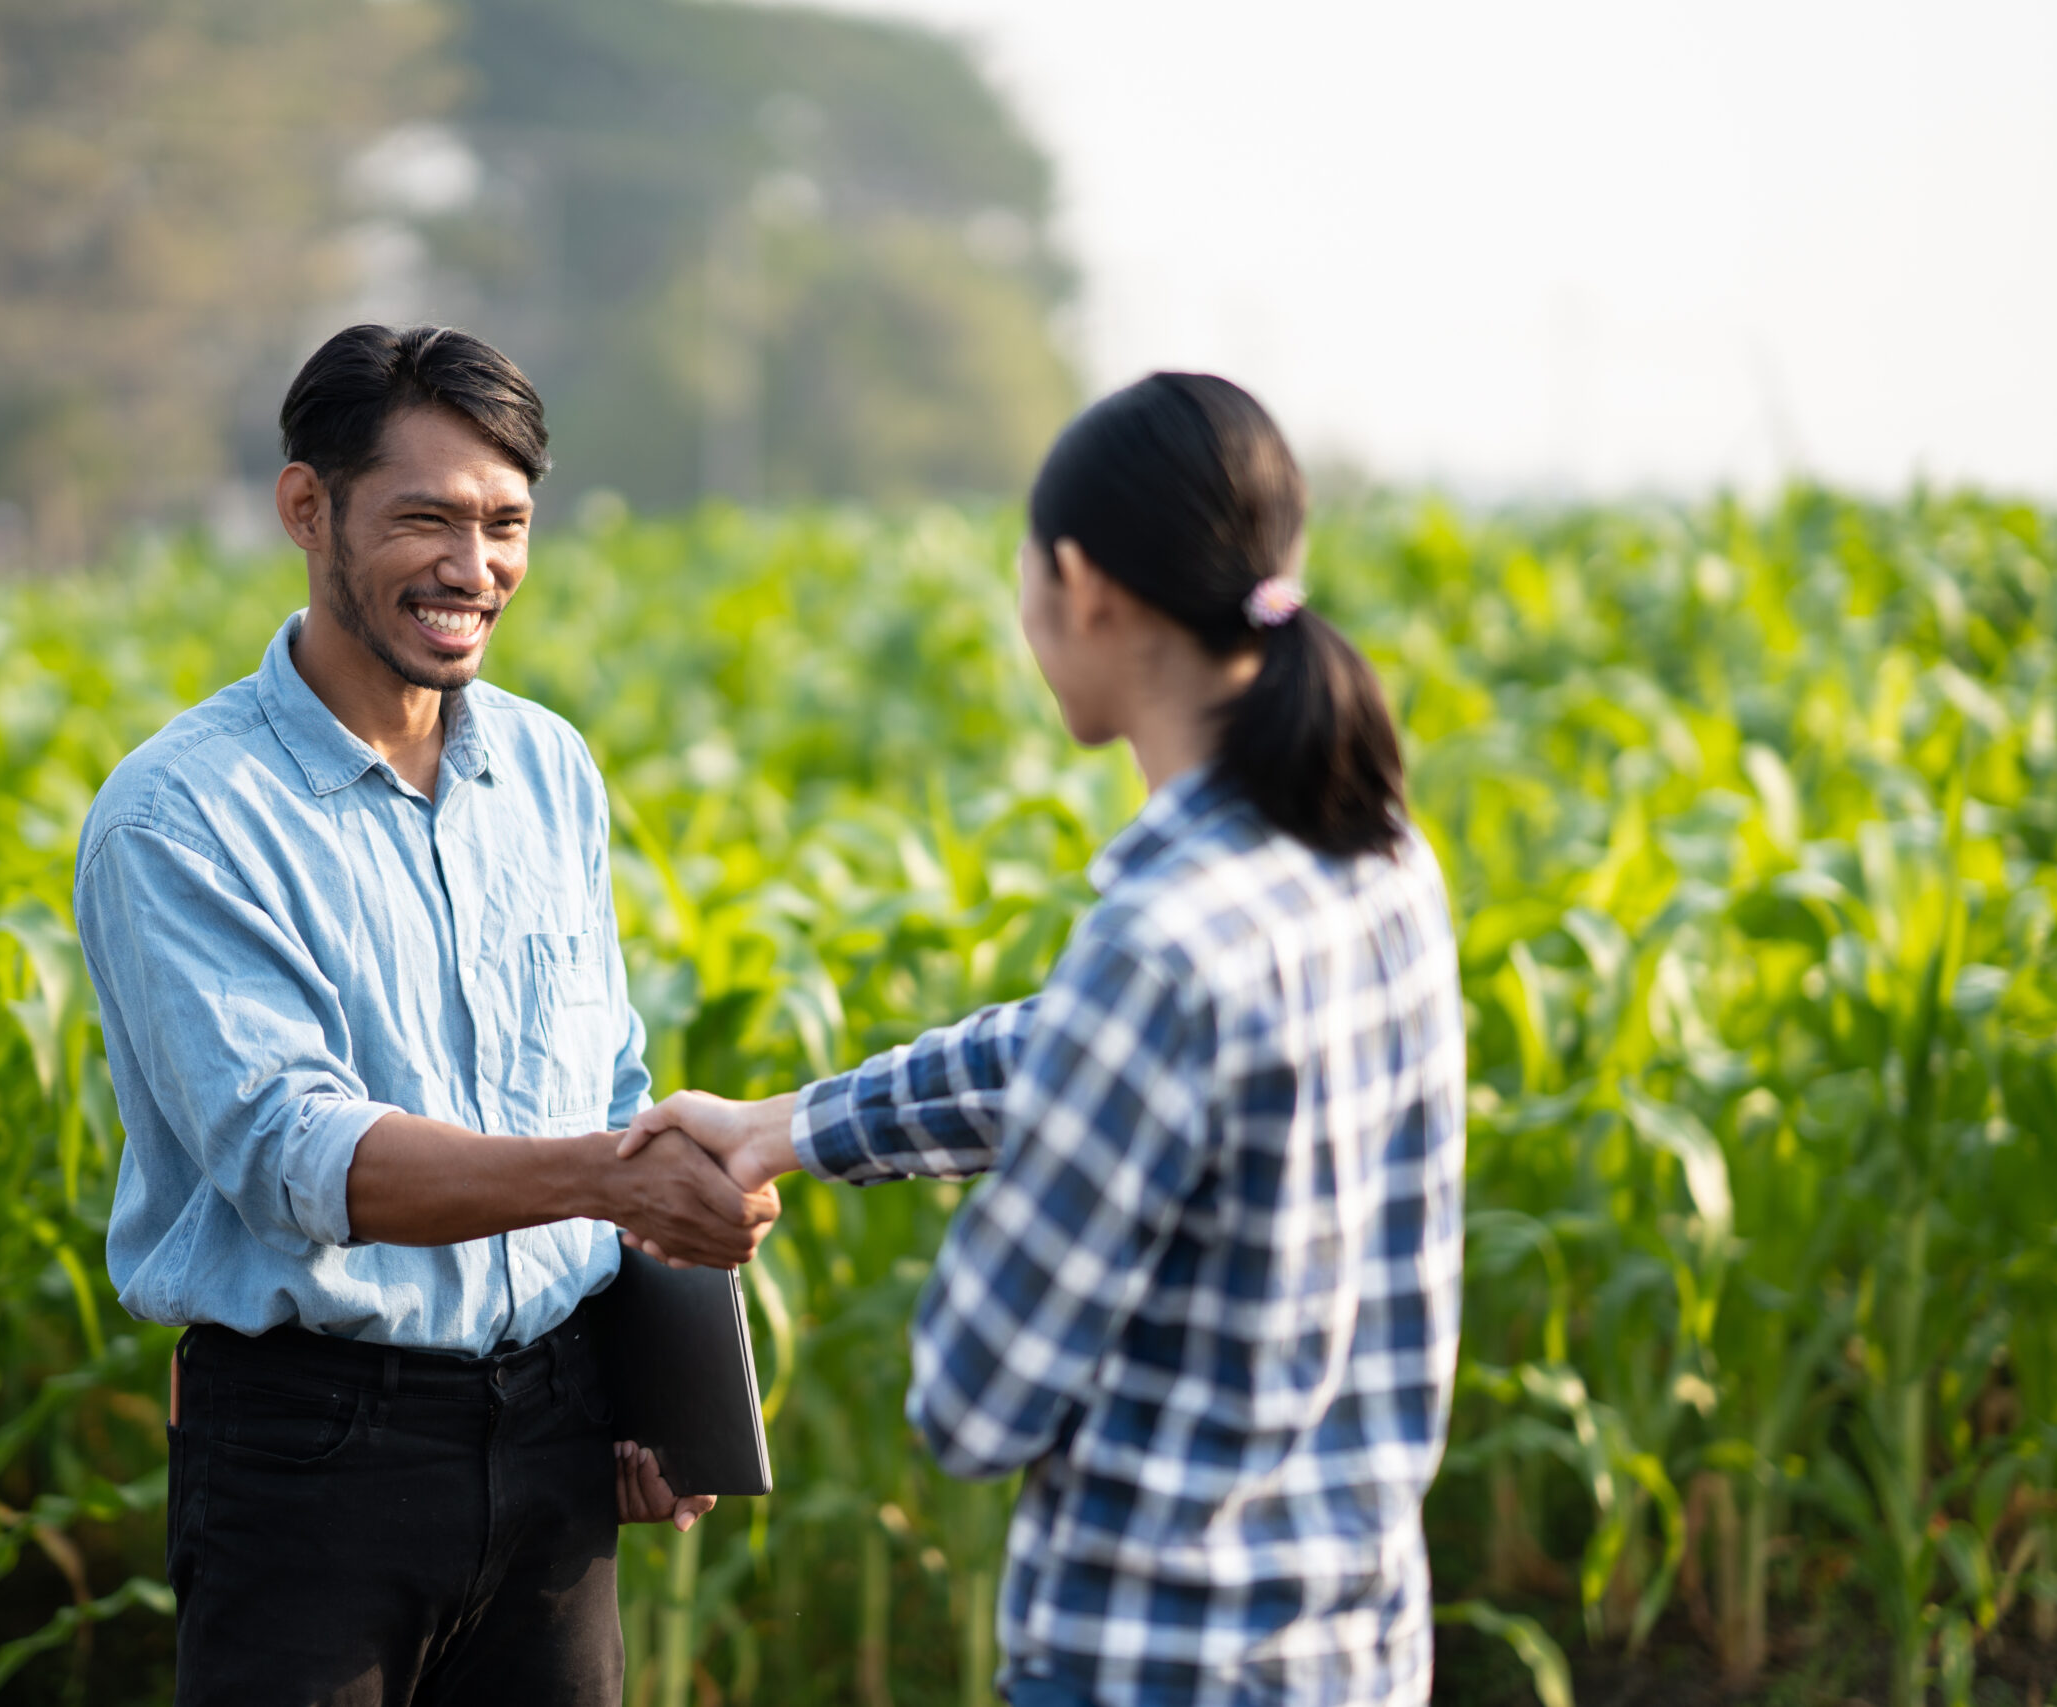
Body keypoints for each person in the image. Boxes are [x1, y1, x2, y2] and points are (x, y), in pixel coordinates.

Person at [620, 374, 1467, 1707]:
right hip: (1352, 1654)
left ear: (1082, 585)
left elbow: (974, 1399)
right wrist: (785, 1128)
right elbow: (1082, 1052)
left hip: (1158, 1664)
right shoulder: (1376, 857)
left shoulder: (1161, 945)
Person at [74, 323, 778, 1707]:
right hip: (313, 1457)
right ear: (305, 508)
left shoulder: (550, 771)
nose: (476, 568)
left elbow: (606, 1079)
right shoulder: (184, 814)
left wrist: (650, 1383)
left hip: (559, 1443)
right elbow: (299, 1157)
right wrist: (608, 1176)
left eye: (508, 523)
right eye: (428, 520)